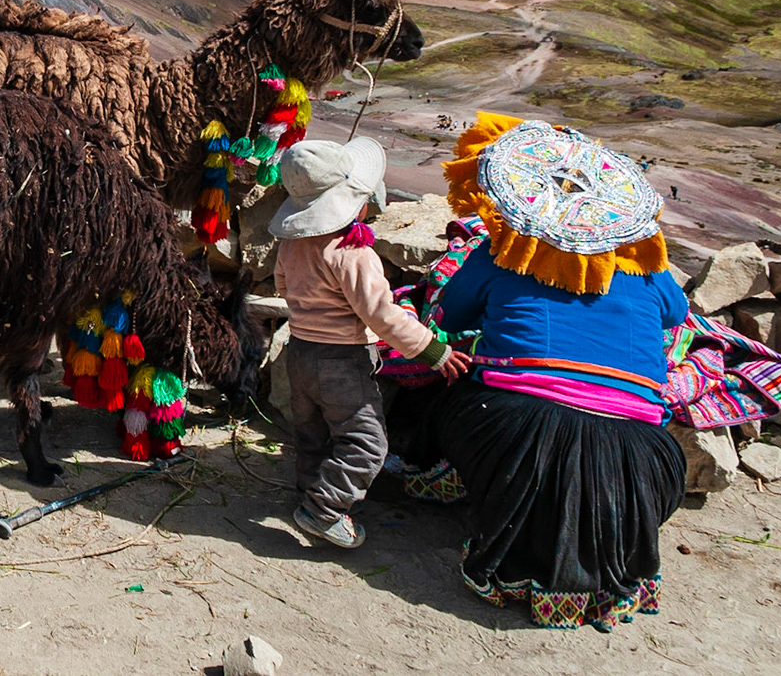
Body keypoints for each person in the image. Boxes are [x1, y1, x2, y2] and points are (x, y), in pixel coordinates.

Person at [426, 113, 689, 631]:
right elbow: (677, 315)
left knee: (446, 387)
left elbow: (449, 316)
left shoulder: (506, 250)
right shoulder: (645, 266)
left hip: (517, 434)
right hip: (641, 459)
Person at [270, 137, 470, 550]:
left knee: (312, 432)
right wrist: (435, 351)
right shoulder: (352, 253)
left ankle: (312, 489)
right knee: (367, 442)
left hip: (300, 351)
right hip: (341, 362)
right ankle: (323, 510)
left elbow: (283, 287)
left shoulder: (291, 243)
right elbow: (381, 315)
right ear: (357, 204)